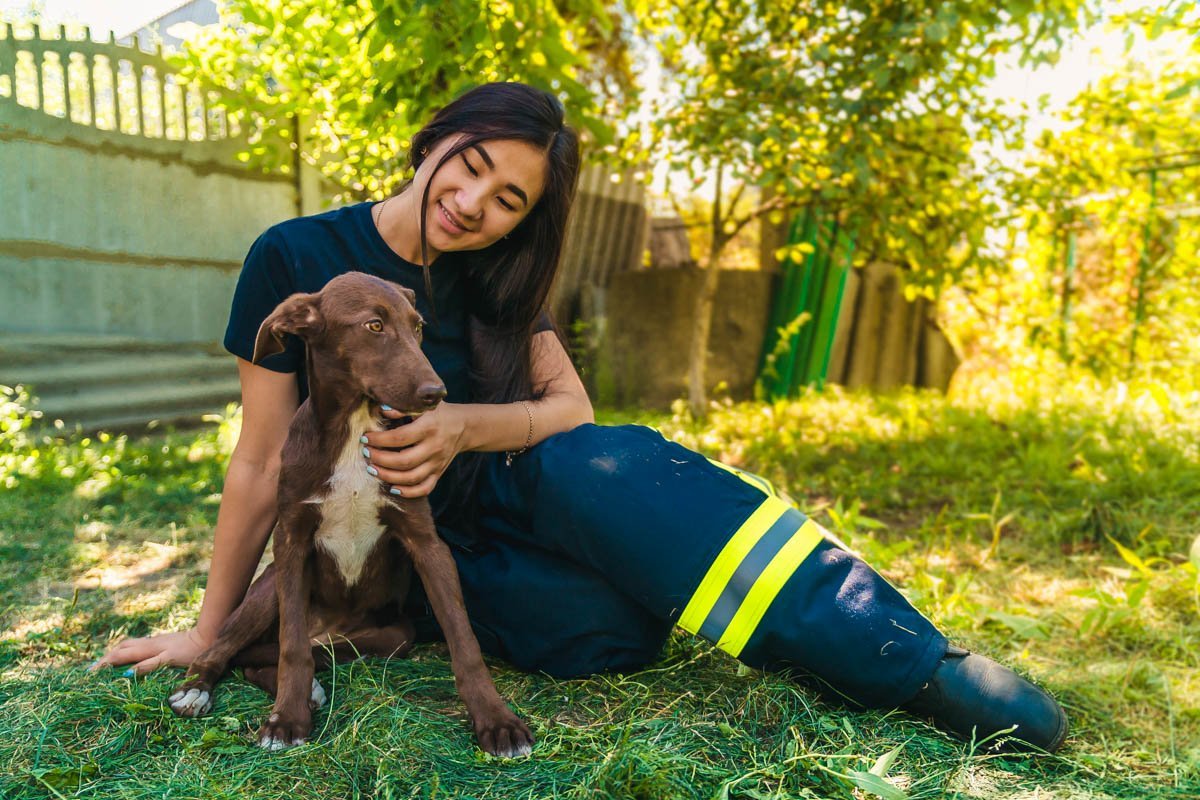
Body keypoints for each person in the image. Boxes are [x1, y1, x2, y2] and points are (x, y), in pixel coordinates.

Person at [92, 82, 1067, 753]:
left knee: (597, 461)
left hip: (515, 498)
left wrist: (465, 426)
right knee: (608, 632)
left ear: (526, 219)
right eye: (468, 164)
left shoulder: (497, 279)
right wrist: (209, 628)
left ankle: (900, 654)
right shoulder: (295, 253)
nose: (474, 201)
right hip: (422, 561)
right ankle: (664, 578)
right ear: (432, 141)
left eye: (508, 197)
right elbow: (260, 459)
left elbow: (572, 405)